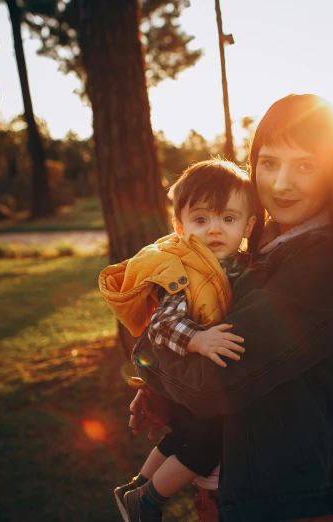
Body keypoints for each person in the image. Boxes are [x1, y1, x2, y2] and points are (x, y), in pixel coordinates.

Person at [129, 94, 333, 522]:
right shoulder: (264, 250)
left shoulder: (324, 264)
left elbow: (212, 383)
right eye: (268, 162)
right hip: (242, 490)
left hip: (289, 502)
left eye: (305, 165)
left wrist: (154, 365)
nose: (282, 183)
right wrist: (161, 392)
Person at [98, 159, 262, 521]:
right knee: (207, 446)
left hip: (193, 381)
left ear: (249, 224)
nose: (214, 230)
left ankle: (135, 485)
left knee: (183, 437)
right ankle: (148, 500)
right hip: (193, 373)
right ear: (180, 226)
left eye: (228, 219)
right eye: (201, 220)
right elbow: (161, 325)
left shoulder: (237, 264)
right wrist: (199, 340)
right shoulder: (185, 270)